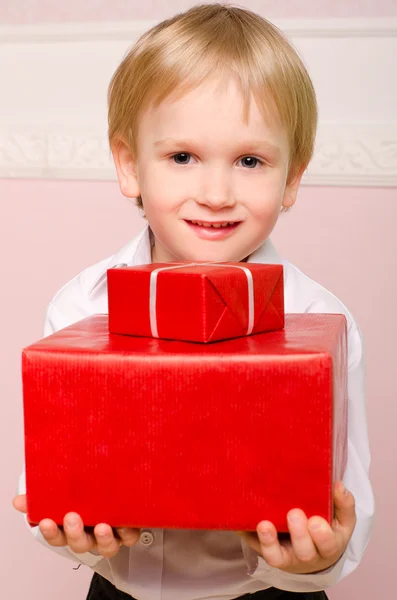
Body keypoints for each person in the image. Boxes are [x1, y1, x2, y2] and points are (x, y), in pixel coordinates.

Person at [13, 4, 374, 600]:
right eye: (183, 157)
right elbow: (49, 488)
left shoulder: (322, 322)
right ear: (130, 165)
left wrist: (318, 557)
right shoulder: (81, 306)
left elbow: (347, 510)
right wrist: (68, 533)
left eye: (250, 161)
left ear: (291, 180)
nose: (215, 193)